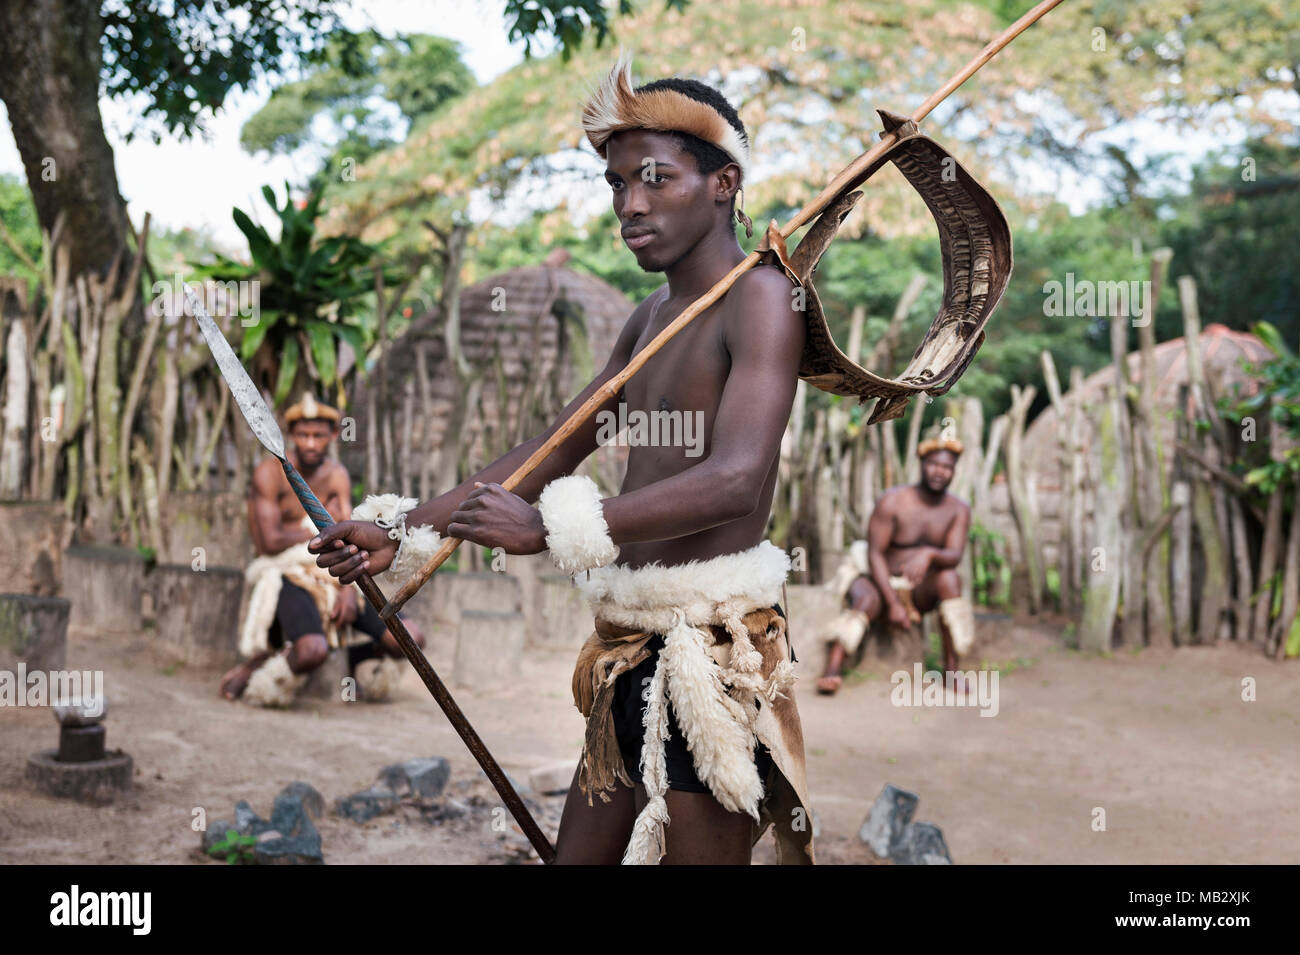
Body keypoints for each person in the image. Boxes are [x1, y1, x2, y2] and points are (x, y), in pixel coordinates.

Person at [309, 54, 815, 865]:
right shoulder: (649, 316)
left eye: (654, 178)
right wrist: (399, 527)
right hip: (630, 642)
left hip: (713, 650)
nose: (630, 203)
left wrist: (552, 529)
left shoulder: (763, 297)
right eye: (617, 184)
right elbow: (549, 452)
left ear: (724, 183)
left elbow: (735, 478)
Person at [219, 393, 424, 706]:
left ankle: (351, 659)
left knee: (410, 637)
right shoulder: (269, 474)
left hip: (333, 573)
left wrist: (346, 590)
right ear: (291, 436)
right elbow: (269, 542)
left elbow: (346, 539)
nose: (310, 444)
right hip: (286, 572)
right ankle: (262, 670)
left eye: (318, 436)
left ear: (331, 436)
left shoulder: (336, 476)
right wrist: (310, 531)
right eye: (303, 435)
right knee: (312, 650)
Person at [816, 436, 976, 695]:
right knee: (866, 600)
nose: (940, 472)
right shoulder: (893, 500)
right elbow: (875, 554)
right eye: (934, 464)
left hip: (918, 589)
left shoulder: (958, 509)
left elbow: (954, 556)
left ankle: (952, 669)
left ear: (954, 470)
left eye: (947, 467)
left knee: (950, 579)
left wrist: (929, 553)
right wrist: (892, 602)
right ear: (922, 463)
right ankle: (832, 670)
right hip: (876, 579)